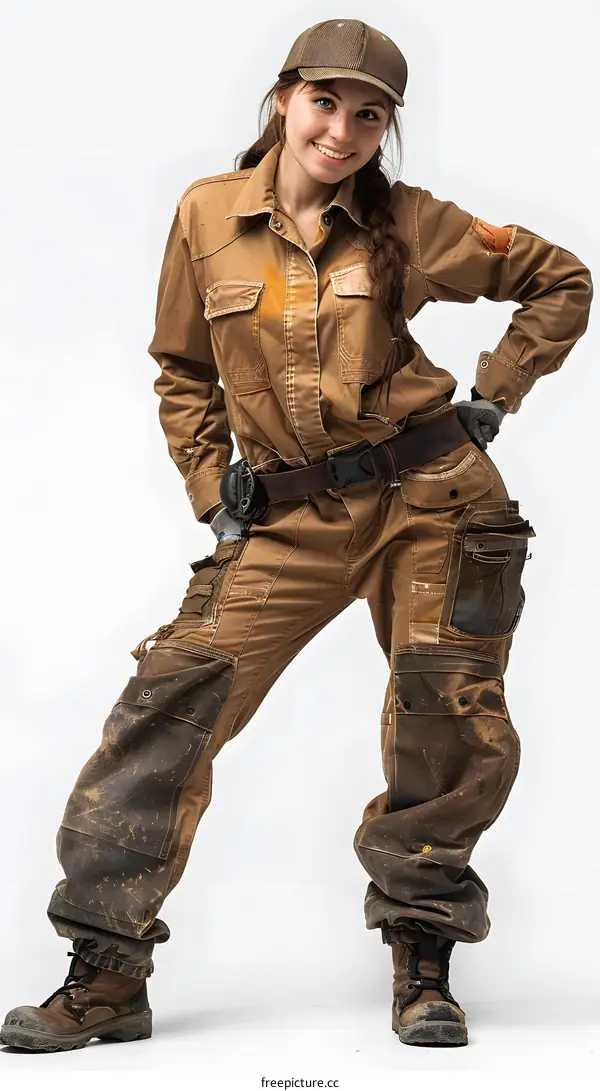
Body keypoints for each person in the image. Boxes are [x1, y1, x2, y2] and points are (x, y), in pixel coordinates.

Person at [1, 18, 592, 1053]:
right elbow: (182, 368)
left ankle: (424, 958)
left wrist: (495, 394)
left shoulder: (409, 221)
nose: (345, 130)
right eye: (328, 103)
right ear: (285, 98)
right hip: (289, 512)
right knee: (166, 703)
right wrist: (207, 483)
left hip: (438, 497)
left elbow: (561, 278)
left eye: (372, 115)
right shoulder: (206, 216)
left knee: (445, 718)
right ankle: (104, 971)